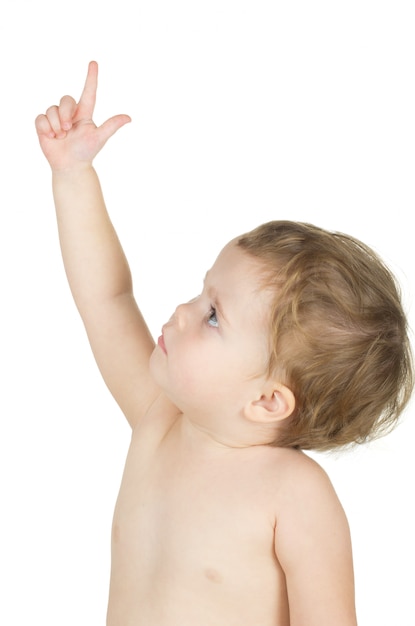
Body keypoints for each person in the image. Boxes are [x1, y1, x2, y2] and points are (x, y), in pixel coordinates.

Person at [35, 61, 413, 626]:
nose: (185, 312)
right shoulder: (158, 418)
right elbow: (108, 298)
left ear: (267, 400)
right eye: (201, 293)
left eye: (214, 316)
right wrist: (72, 175)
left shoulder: (296, 496)